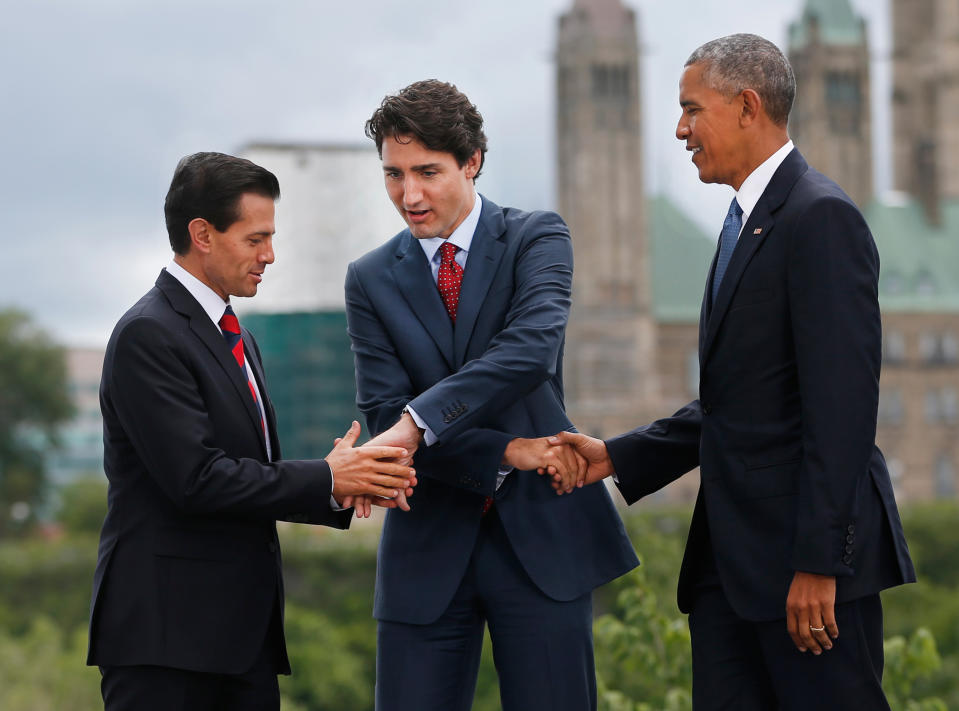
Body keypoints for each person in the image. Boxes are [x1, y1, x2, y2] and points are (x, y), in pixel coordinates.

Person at [553, 34, 916, 710]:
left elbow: (839, 408)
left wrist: (817, 562)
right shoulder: (738, 223)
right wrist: (616, 454)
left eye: (692, 109)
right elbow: (739, 399)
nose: (679, 129)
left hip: (803, 575)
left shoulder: (819, 217)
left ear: (747, 106)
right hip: (730, 570)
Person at [345, 79, 638, 711]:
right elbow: (379, 416)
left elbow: (529, 352)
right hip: (426, 551)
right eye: (393, 175)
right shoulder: (368, 279)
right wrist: (509, 450)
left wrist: (419, 421)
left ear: (472, 161)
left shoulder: (537, 238)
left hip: (543, 542)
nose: (409, 195)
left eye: (427, 172)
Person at [87, 151, 415, 711]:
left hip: (239, 640)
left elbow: (251, 475)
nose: (270, 255)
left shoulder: (236, 334)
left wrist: (339, 483)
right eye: (255, 239)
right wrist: (326, 478)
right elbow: (197, 479)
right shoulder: (149, 334)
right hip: (168, 644)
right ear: (202, 234)